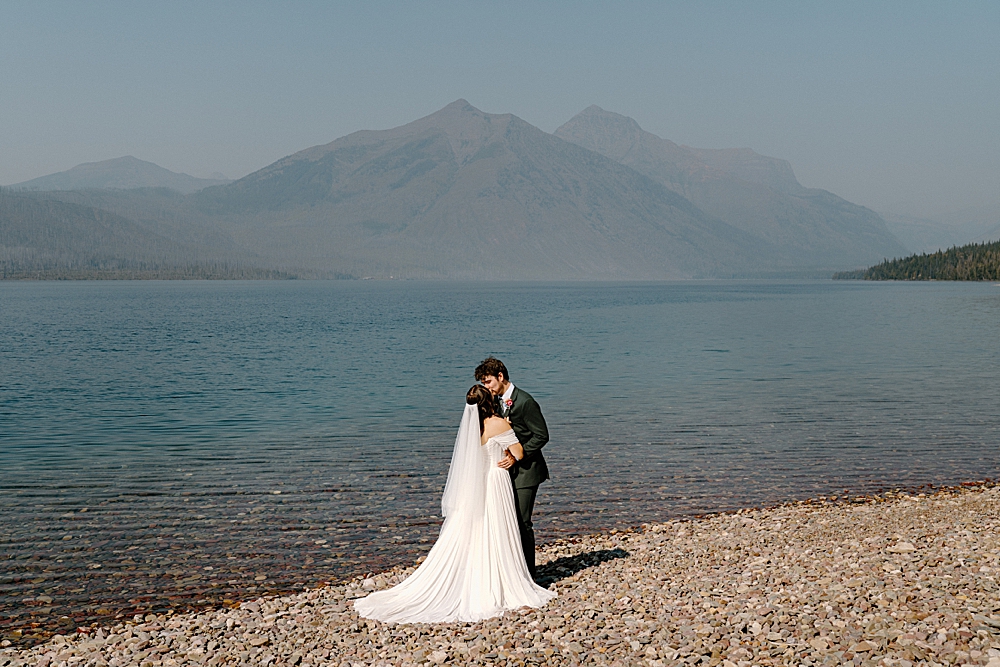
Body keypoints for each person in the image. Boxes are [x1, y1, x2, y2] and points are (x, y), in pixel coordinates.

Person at [353, 385, 555, 623]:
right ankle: (502, 578)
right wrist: (510, 430)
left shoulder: (471, 428)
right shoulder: (497, 424)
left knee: (480, 529)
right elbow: (519, 452)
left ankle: (479, 576)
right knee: (497, 528)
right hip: (496, 480)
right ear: (490, 401)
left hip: (480, 483)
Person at [474, 357, 549, 579]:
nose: (486, 387)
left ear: (500, 377)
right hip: (503, 473)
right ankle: (512, 571)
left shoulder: (525, 402)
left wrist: (518, 456)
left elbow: (542, 435)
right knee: (506, 521)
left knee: (522, 522)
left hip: (527, 471)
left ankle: (529, 574)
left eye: (488, 382)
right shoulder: (495, 401)